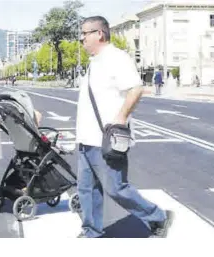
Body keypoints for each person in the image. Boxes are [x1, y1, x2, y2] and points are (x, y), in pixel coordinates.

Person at [74, 16, 174, 238]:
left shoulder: (116, 58)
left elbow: (136, 89)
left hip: (106, 139)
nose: (81, 39)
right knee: (87, 189)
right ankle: (92, 231)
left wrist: (121, 117)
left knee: (116, 188)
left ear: (99, 34)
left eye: (84, 34)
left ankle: (157, 216)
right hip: (85, 139)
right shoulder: (95, 61)